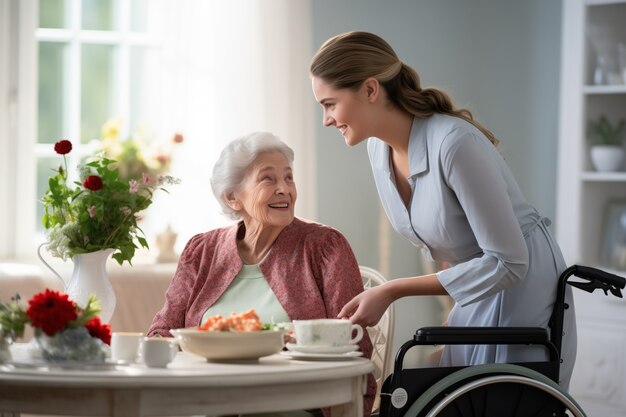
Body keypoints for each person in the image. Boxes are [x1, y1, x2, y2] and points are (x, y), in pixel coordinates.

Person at [310, 31, 576, 389]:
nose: (326, 119)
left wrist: (392, 290)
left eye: (330, 104)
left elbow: (510, 261)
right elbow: (447, 237)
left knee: (496, 397)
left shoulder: (454, 144)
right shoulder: (378, 150)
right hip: (476, 280)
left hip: (520, 283)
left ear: (370, 90)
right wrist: (456, 314)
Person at [147, 131, 375, 416]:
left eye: (289, 177)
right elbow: (162, 331)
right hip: (207, 402)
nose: (285, 189)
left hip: (295, 404)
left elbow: (355, 344)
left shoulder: (324, 246)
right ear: (233, 197)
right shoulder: (202, 250)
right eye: (268, 179)